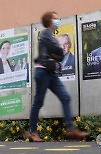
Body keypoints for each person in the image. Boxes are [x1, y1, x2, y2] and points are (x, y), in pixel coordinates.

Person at [28, 11, 89, 142]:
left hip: (51, 72)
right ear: (49, 21)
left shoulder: (51, 36)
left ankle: (71, 129)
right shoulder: (45, 34)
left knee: (65, 97)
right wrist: (57, 52)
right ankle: (32, 132)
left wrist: (57, 53)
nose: (58, 20)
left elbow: (60, 55)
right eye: (55, 19)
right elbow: (59, 50)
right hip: (43, 71)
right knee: (38, 102)